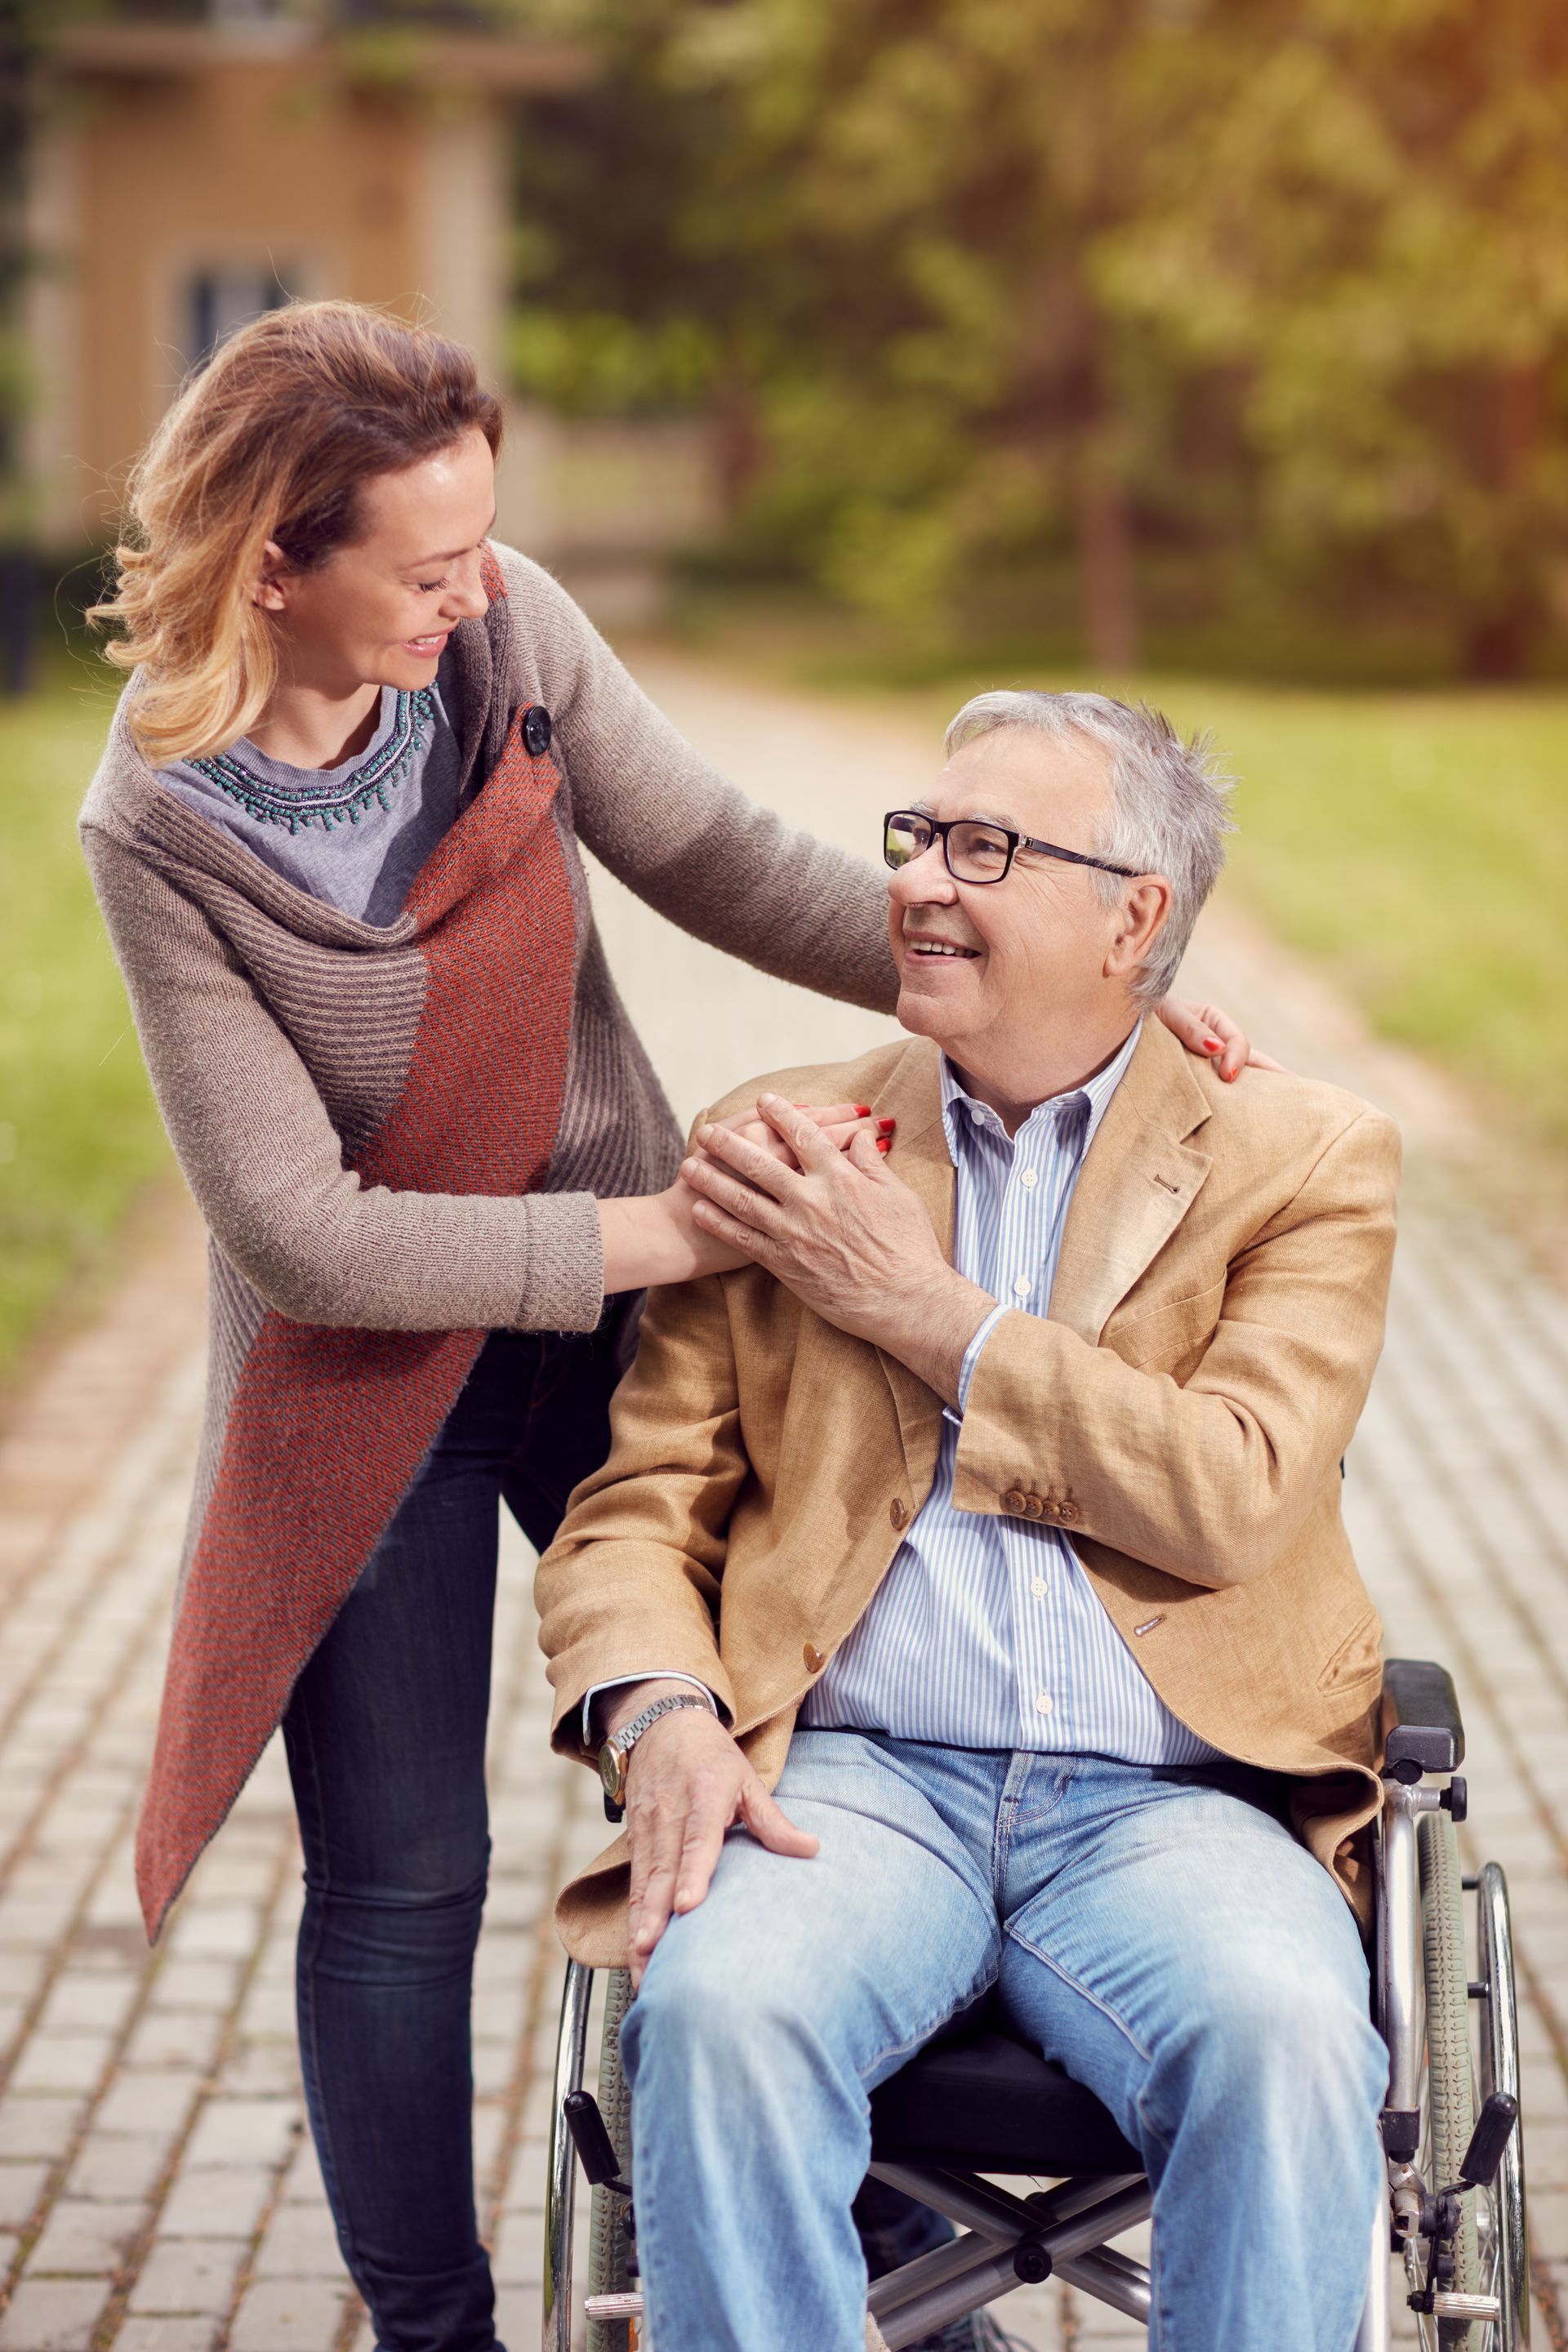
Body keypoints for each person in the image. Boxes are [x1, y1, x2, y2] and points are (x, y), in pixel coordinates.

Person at [79, 302, 1258, 2352]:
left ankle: (879, 2252)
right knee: (404, 1878)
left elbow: (716, 853)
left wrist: (1046, 981)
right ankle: (437, 2333)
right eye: (426, 568)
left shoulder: (506, 644)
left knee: (787, 1725)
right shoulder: (164, 825)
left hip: (618, 1313)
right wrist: (674, 1228)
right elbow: (301, 1238)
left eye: (483, 546)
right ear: (274, 561)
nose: (476, 595)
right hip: (372, 1375)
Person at [537, 687, 1402, 2352]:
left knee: (1288, 2038)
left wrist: (929, 1313)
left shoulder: (1303, 1161)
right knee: (716, 2015)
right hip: (850, 1787)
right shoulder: (785, 1147)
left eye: (988, 848)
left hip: (1175, 1803)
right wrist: (661, 1712)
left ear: (1133, 919)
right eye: (920, 836)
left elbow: (1233, 1489)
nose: (920, 880)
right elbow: (634, 1514)